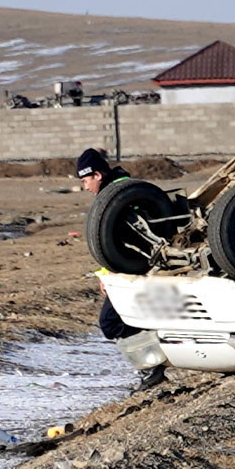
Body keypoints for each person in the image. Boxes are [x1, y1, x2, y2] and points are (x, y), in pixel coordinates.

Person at [77, 147, 167, 391]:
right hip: (125, 273)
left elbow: (124, 241)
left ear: (96, 175)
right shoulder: (115, 194)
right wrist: (106, 275)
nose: (85, 187)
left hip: (136, 273)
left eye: (85, 180)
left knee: (111, 323)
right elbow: (108, 245)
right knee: (119, 321)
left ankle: (154, 364)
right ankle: (153, 365)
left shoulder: (122, 196)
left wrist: (113, 275)